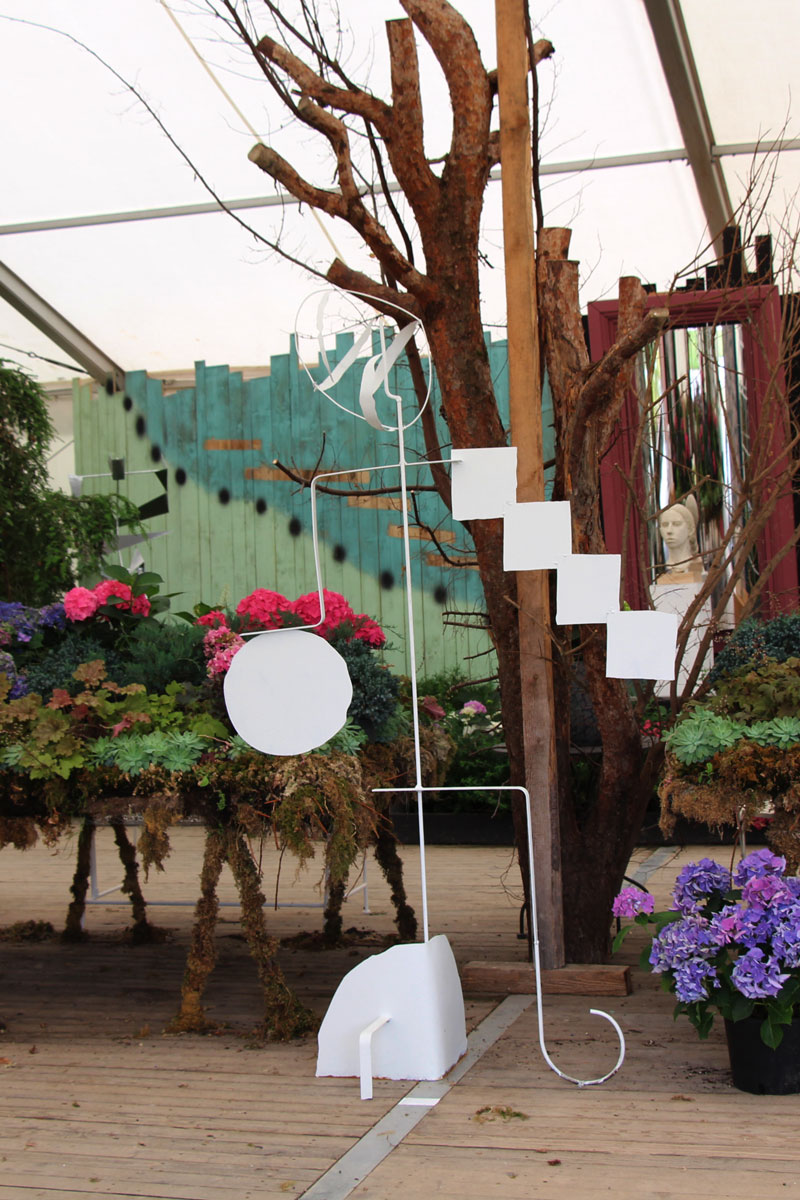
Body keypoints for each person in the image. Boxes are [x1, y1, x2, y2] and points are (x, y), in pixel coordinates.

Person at [657, 496, 703, 579]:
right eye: (665, 525)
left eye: (676, 524)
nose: (669, 531)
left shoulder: (694, 564)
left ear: (690, 529)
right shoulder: (667, 566)